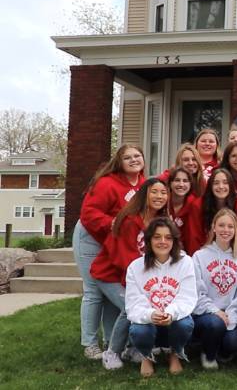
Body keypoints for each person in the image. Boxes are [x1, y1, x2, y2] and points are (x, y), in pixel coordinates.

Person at [74, 144, 145, 360]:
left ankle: (112, 341)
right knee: (94, 290)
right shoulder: (107, 183)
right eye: (128, 157)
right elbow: (88, 213)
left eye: (137, 156)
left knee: (113, 288)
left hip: (114, 241)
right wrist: (112, 222)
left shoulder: (143, 184)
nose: (134, 160)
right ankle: (90, 343)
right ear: (119, 162)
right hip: (91, 238)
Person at [89, 177, 168, 370]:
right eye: (154, 192)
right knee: (130, 306)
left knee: (143, 303)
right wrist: (140, 287)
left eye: (163, 192)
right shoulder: (130, 219)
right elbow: (123, 258)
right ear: (144, 194)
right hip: (110, 274)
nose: (159, 196)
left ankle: (132, 349)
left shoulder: (159, 221)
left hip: (135, 276)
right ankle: (112, 352)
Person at [126, 217, 197, 377]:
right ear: (149, 240)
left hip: (174, 319)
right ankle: (146, 355)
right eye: (157, 237)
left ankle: (175, 353)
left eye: (168, 237)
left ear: (174, 241)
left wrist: (171, 312)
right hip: (149, 321)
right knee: (138, 330)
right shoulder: (135, 267)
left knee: (185, 324)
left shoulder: (185, 262)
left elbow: (188, 297)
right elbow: (133, 304)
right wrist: (151, 314)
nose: (163, 241)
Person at [192, 209, 237, 369]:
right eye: (221, 225)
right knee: (215, 324)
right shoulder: (199, 256)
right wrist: (215, 311)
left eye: (230, 226)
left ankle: (221, 350)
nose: (226, 230)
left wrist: (230, 314)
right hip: (207, 314)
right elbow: (197, 291)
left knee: (234, 343)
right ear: (214, 228)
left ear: (236, 229)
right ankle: (208, 354)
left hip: (232, 313)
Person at [188, 168, 237, 255]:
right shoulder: (198, 205)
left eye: (225, 182)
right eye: (216, 183)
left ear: (231, 186)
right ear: (210, 186)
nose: (221, 186)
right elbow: (194, 238)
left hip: (231, 253)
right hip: (205, 253)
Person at [166, 167, 198, 251]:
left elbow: (194, 236)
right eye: (177, 180)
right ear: (170, 183)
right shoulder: (162, 202)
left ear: (190, 184)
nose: (181, 184)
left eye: (185, 181)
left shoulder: (194, 205)